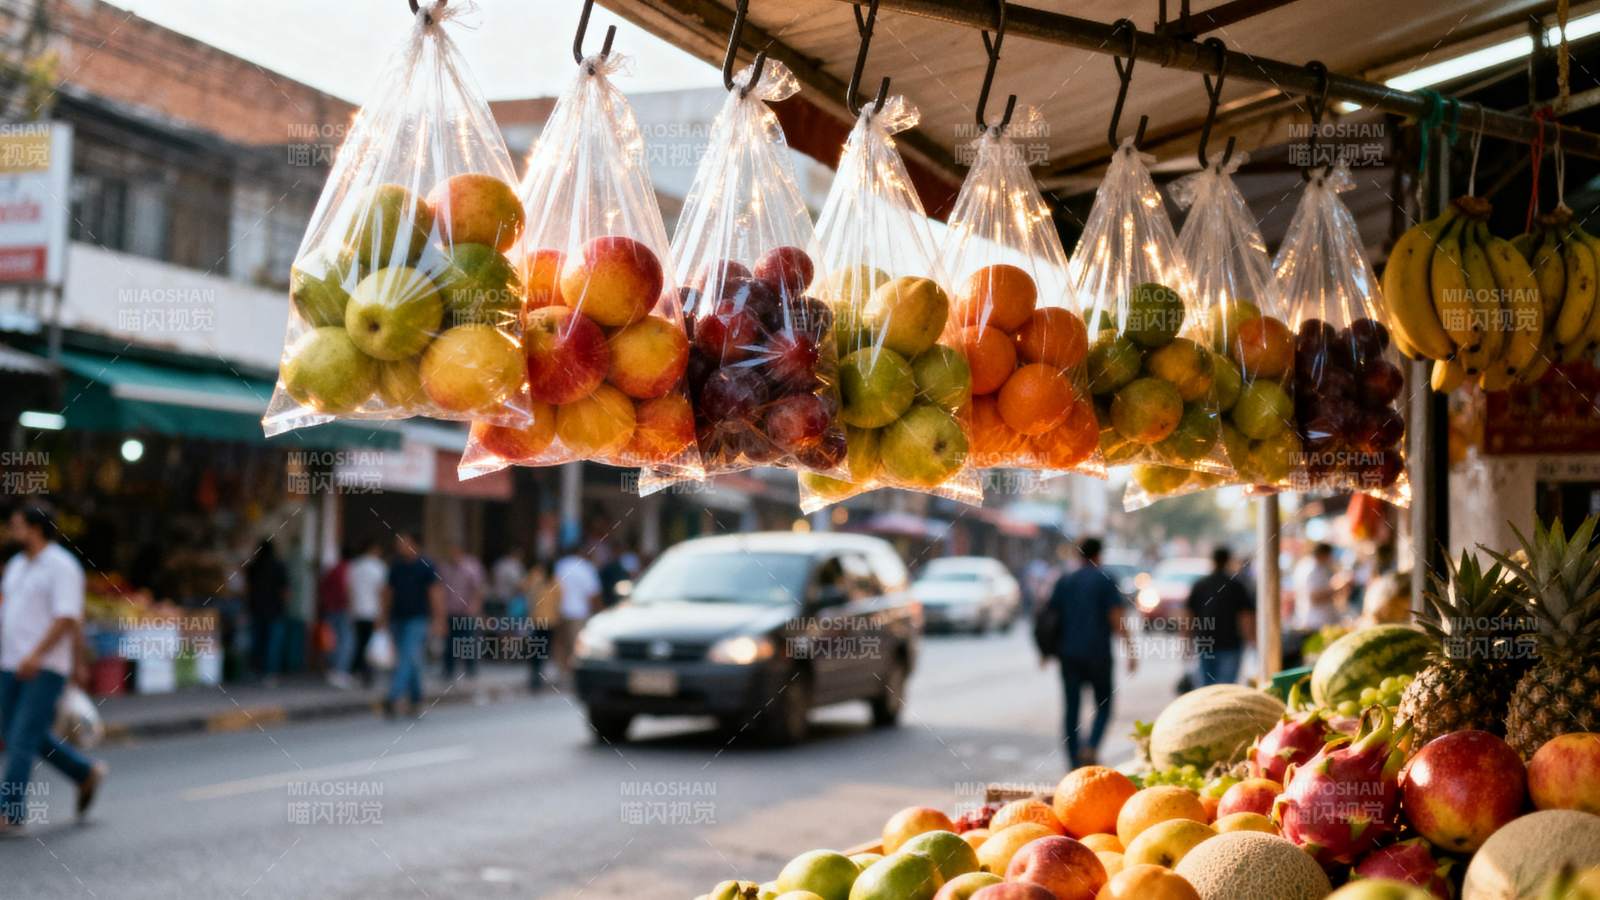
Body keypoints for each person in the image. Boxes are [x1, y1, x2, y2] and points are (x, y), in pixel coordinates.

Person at [1, 505, 108, 834]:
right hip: (9, 662)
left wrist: (69, 661)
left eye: (17, 524)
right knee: (15, 733)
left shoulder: (63, 566)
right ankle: (83, 772)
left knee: (22, 737)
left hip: (45, 665)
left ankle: (10, 812)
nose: (11, 530)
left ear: (36, 528)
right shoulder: (17, 565)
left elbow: (67, 618)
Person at [1042, 537, 1135, 767]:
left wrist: (1045, 651)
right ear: (1098, 554)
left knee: (1071, 707)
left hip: (1069, 654)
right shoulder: (1105, 579)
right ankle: (1091, 747)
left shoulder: (1065, 580)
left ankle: (1074, 759)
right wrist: (1130, 650)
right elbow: (1116, 617)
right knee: (1104, 704)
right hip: (1098, 654)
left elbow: (1049, 618)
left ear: (1077, 554)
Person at [382, 533, 442, 718]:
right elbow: (388, 592)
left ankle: (393, 696)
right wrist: (383, 616)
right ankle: (416, 699)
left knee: (407, 656)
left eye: (404, 541)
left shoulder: (427, 565)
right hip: (397, 617)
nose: (400, 545)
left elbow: (435, 593)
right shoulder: (396, 565)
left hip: (418, 619)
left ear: (414, 544)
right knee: (411, 659)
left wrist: (439, 619)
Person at [1183, 546, 1256, 686]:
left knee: (1206, 688)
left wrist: (1187, 642)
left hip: (1206, 643)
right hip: (1231, 644)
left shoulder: (1200, 585)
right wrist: (1251, 640)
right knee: (1225, 688)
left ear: (1213, 561)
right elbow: (1245, 617)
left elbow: (1189, 617)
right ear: (1228, 561)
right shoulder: (1236, 585)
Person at [552, 542, 601, 679]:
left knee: (562, 646)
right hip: (579, 612)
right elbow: (593, 594)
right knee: (577, 646)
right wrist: (598, 612)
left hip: (560, 611)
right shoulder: (586, 567)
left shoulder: (560, 565)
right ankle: (576, 676)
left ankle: (562, 674)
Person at [438, 544, 485, 680]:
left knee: (468, 640)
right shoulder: (445, 568)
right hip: (450, 610)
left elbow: (478, 589)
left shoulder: (471, 567)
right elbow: (440, 589)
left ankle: (470, 669)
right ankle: (448, 670)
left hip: (466, 611)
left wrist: (474, 607)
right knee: (449, 642)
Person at [245, 539, 289, 685]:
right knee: (273, 643)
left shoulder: (253, 566)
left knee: (257, 641)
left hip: (256, 608)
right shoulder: (279, 566)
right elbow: (285, 590)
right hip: (275, 609)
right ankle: (270, 674)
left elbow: (247, 588)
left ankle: (254, 670)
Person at [345, 540, 387, 688]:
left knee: (360, 642)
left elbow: (349, 590)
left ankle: (360, 671)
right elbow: (382, 592)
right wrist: (383, 613)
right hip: (372, 611)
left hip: (357, 610)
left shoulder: (354, 567)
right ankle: (361, 671)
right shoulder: (378, 567)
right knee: (367, 645)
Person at [318, 547, 354, 688]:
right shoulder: (346, 570)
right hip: (341, 608)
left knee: (332, 640)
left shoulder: (333, 569)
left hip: (330, 608)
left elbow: (323, 587)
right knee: (346, 640)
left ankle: (332, 669)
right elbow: (345, 590)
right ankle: (339, 671)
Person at [1292, 542, 1346, 630]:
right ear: (1324, 554)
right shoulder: (1313, 569)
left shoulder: (1305, 565)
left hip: (1312, 619)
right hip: (1317, 622)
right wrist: (1336, 589)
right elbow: (1314, 597)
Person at [525, 560, 560, 691]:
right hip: (542, 621)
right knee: (540, 650)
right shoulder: (541, 579)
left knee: (539, 650)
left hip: (545, 621)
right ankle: (536, 676)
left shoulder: (547, 581)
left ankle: (536, 676)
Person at [490, 546, 528, 620]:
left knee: (497, 624)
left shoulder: (500, 563)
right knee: (508, 626)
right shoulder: (515, 566)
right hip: (509, 601)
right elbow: (519, 585)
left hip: (496, 598)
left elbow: (492, 578)